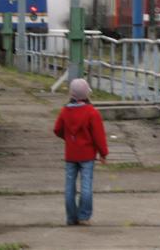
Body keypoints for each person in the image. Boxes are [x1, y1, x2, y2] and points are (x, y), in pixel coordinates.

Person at [53, 78, 108, 226]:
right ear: (86, 94)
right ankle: (84, 216)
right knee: (86, 185)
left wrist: (69, 139)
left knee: (69, 185)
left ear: (72, 93)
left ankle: (71, 218)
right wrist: (103, 153)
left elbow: (57, 129)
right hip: (87, 155)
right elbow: (98, 136)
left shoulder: (65, 111)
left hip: (71, 154)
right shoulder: (92, 112)